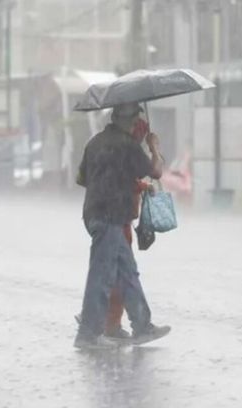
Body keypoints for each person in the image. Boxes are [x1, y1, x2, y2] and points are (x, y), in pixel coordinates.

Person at [74, 102, 171, 349]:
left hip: (95, 214)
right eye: (138, 120)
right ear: (131, 121)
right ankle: (88, 334)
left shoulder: (94, 142)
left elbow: (82, 178)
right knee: (102, 275)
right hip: (110, 218)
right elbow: (156, 172)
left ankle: (142, 326)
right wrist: (154, 148)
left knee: (127, 272)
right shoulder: (127, 145)